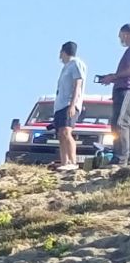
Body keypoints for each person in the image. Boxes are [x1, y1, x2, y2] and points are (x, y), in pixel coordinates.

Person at [95, 24, 130, 169]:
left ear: (127, 34)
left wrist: (114, 76)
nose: (120, 38)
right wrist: (111, 78)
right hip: (120, 88)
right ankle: (118, 155)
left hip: (126, 89)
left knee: (121, 123)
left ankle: (121, 158)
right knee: (115, 123)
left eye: (121, 35)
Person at [54, 40, 87, 171]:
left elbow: (77, 84)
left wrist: (72, 105)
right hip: (60, 105)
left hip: (69, 103)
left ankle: (73, 162)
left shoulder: (76, 63)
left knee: (67, 131)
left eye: (60, 52)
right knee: (61, 133)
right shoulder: (66, 67)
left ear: (63, 52)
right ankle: (64, 162)